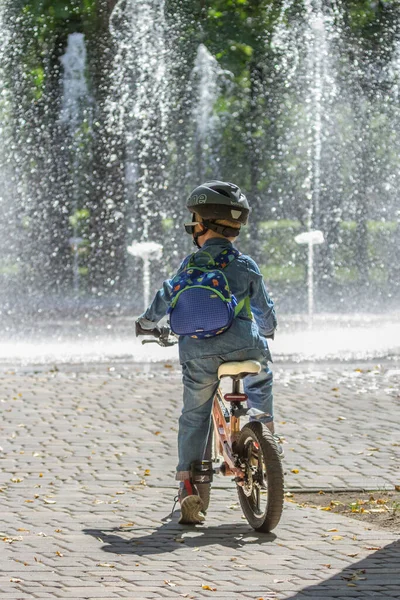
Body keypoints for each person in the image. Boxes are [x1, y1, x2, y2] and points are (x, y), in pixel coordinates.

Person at [135, 180, 278, 525]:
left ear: (201, 226)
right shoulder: (245, 266)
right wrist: (269, 329)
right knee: (261, 376)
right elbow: (265, 311)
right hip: (246, 345)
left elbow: (164, 297)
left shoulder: (189, 267)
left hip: (198, 355)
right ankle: (266, 430)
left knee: (194, 416)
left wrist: (146, 323)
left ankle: (189, 487)